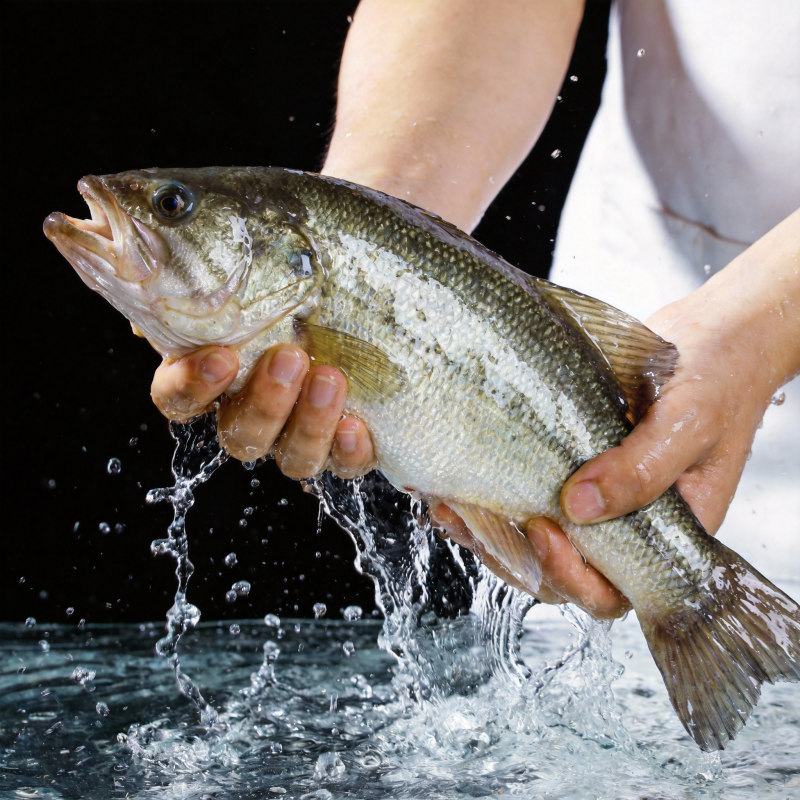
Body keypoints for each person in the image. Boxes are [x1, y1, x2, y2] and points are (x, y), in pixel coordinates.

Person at [150, 0, 800, 619]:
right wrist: (371, 234)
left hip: (709, 352)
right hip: (640, 387)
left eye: (173, 209)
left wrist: (766, 325)